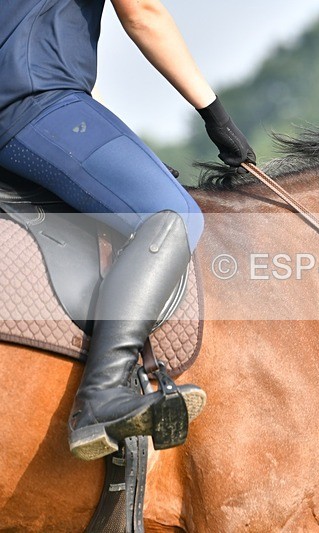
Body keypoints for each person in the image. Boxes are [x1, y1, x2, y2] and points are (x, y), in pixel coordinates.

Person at [0, 0, 256, 460]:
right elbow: (142, 12)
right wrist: (215, 114)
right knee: (173, 214)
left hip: (40, 104)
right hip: (37, 103)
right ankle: (102, 395)